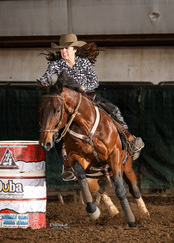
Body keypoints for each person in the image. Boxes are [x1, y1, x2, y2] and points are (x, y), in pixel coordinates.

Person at [38, 33, 144, 180]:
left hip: (87, 99)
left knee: (113, 109)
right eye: (62, 48)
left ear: (74, 49)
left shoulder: (84, 63)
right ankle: (66, 165)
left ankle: (129, 139)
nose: (63, 51)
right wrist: (49, 82)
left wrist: (83, 87)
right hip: (67, 105)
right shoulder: (55, 65)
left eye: (66, 48)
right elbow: (44, 79)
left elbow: (94, 81)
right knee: (57, 133)